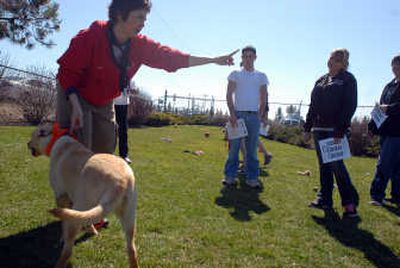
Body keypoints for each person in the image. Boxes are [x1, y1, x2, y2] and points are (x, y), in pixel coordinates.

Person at [56, 0, 238, 229]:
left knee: (103, 150)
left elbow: (172, 58)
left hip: (103, 99)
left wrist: (213, 60)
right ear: (121, 16)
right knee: (79, 149)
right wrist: (74, 104)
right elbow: (67, 71)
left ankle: (88, 207)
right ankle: (75, 207)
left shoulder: (139, 45)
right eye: (139, 17)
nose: (144, 23)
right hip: (75, 92)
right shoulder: (91, 36)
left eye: (145, 18)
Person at [303, 48, 359, 218]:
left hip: (335, 130)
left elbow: (350, 105)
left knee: (337, 166)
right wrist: (307, 127)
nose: (331, 61)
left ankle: (349, 203)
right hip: (319, 129)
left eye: (335, 59)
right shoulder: (321, 80)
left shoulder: (348, 80)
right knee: (324, 166)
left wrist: (340, 129)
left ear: (343, 63)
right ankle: (324, 199)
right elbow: (312, 105)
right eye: (330, 58)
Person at [223, 45, 269, 188]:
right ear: (242, 58)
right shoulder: (235, 74)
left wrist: (260, 115)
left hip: (254, 116)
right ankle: (230, 177)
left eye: (251, 56)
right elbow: (229, 95)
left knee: (251, 151)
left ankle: (252, 178)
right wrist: (232, 114)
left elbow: (264, 97)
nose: (248, 59)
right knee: (234, 149)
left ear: (255, 57)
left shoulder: (261, 76)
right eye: (245, 56)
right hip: (238, 116)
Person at [368, 55, 400, 206]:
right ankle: (396, 196)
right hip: (386, 130)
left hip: (397, 132)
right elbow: (380, 107)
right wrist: (372, 126)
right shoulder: (389, 86)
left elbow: (391, 107)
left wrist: (390, 108)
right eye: (393, 65)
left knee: (386, 164)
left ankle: (377, 195)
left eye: (398, 65)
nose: (395, 68)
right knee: (393, 165)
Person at [114, 81, 136, 164]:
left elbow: (133, 90)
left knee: (123, 130)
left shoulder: (130, 77)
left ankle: (124, 155)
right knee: (110, 129)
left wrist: (131, 90)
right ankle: (107, 153)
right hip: (111, 103)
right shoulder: (114, 71)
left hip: (124, 105)